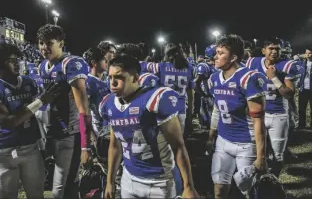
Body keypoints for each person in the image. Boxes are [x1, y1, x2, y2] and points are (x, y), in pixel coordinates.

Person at [101, 55, 200, 199]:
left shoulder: (155, 99)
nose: (113, 83)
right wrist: (110, 182)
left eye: (119, 77)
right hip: (129, 179)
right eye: (110, 77)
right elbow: (115, 145)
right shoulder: (109, 104)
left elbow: (178, 146)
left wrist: (189, 186)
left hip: (160, 181)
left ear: (135, 78)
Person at [0, 42, 60, 199]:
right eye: (11, 60)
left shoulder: (28, 82)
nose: (17, 63)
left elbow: (36, 117)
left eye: (17, 59)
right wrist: (40, 101)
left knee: (36, 195)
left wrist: (44, 143)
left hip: (30, 147)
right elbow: (8, 122)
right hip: (4, 152)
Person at [206, 34, 267, 199]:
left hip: (246, 145)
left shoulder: (249, 78)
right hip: (223, 141)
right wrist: (211, 136)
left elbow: (259, 121)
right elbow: (217, 110)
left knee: (249, 193)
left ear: (233, 57)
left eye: (220, 53)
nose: (215, 56)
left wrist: (261, 156)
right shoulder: (214, 78)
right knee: (219, 191)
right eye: (216, 52)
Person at [37, 24, 92, 199]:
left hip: (71, 133)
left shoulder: (71, 64)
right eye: (40, 43)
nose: (44, 47)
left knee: (62, 189)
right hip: (52, 131)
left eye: (49, 43)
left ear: (61, 43)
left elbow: (83, 109)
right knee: (60, 184)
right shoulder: (42, 66)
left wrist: (85, 146)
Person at [246, 37, 300, 176]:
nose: (274, 51)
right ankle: (260, 182)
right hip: (258, 114)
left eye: (277, 49)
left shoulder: (287, 65)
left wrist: (275, 78)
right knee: (257, 153)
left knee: (278, 156)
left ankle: (273, 182)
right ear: (263, 50)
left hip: (278, 114)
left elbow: (288, 94)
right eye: (271, 48)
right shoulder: (253, 62)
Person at [85, 47, 111, 136]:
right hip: (99, 128)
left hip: (112, 123)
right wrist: (91, 133)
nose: (107, 62)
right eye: (104, 60)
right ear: (94, 63)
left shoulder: (109, 78)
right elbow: (85, 110)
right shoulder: (88, 82)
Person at [298, 48, 312, 129]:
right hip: (303, 89)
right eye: (306, 53)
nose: (307, 55)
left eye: (309, 53)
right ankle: (301, 124)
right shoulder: (302, 63)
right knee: (301, 108)